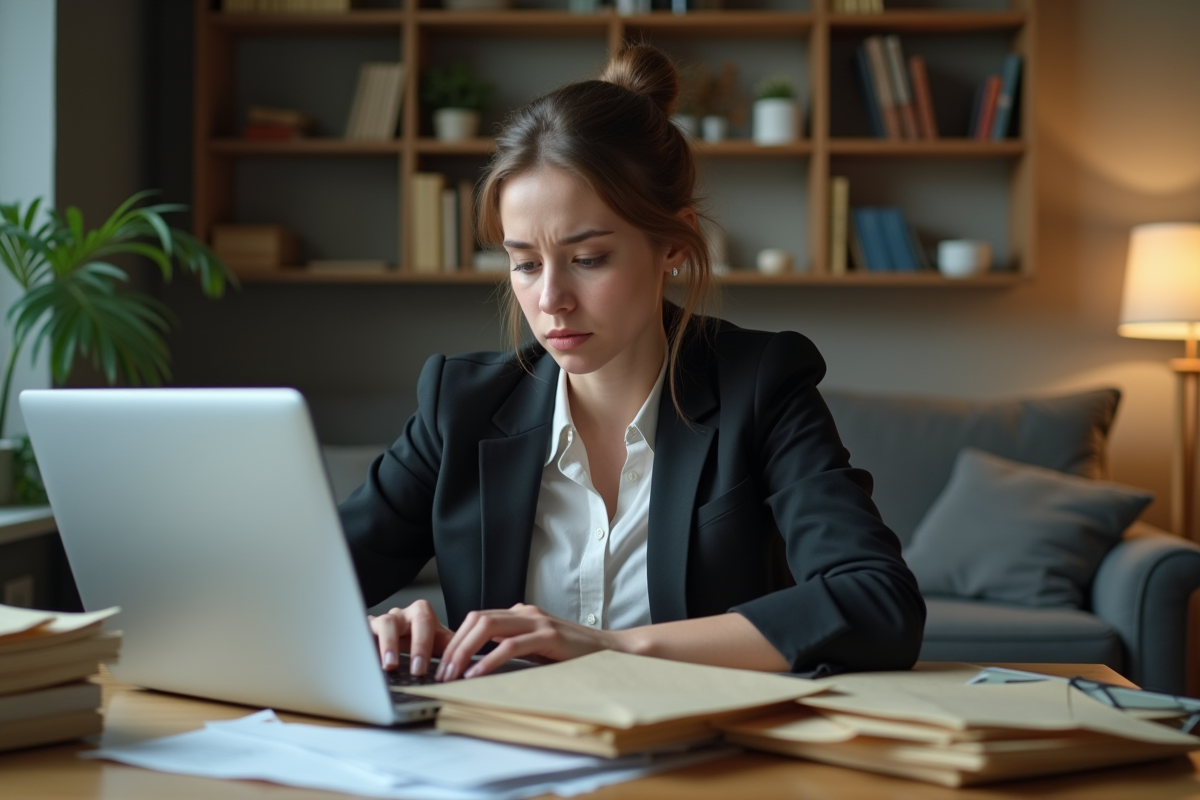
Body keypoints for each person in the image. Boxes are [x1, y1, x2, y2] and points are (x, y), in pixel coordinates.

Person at [339, 45, 925, 683]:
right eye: (525, 263)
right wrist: (367, 629)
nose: (551, 299)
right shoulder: (460, 404)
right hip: (505, 759)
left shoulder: (762, 384)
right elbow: (287, 590)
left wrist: (608, 646)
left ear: (673, 242)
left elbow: (880, 603)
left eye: (588, 258)